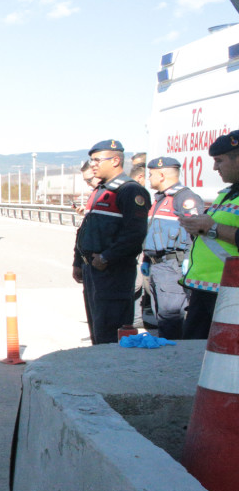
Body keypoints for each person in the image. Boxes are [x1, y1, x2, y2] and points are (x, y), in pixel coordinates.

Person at [72, 139, 151, 344]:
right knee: (98, 330)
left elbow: (135, 235)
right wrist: (78, 262)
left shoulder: (129, 191)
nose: (93, 165)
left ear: (116, 160)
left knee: (111, 331)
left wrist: (107, 257)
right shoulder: (100, 190)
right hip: (93, 269)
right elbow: (85, 230)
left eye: (97, 160)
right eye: (92, 160)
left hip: (113, 271)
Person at [180, 130, 239, 338]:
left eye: (219, 160)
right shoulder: (228, 193)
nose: (215, 167)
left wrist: (212, 228)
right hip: (208, 291)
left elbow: (215, 229)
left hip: (231, 294)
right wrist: (197, 227)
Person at [140, 156, 202, 339]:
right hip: (158, 266)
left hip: (173, 267)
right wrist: (146, 259)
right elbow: (152, 234)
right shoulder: (160, 200)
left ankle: (174, 360)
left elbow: (196, 233)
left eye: (151, 174)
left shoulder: (184, 198)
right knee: (162, 318)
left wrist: (189, 260)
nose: (148, 178)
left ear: (161, 175)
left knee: (171, 319)